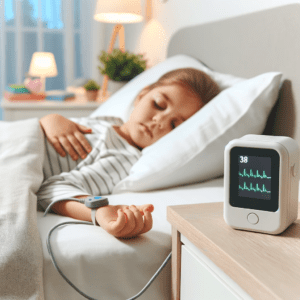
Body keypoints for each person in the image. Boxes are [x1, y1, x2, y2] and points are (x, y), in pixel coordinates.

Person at [38, 68, 220, 239]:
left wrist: (100, 210)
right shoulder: (111, 121)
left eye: (174, 125)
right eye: (158, 104)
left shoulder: (125, 158)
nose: (159, 121)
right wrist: (52, 119)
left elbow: (52, 188)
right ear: (141, 95)